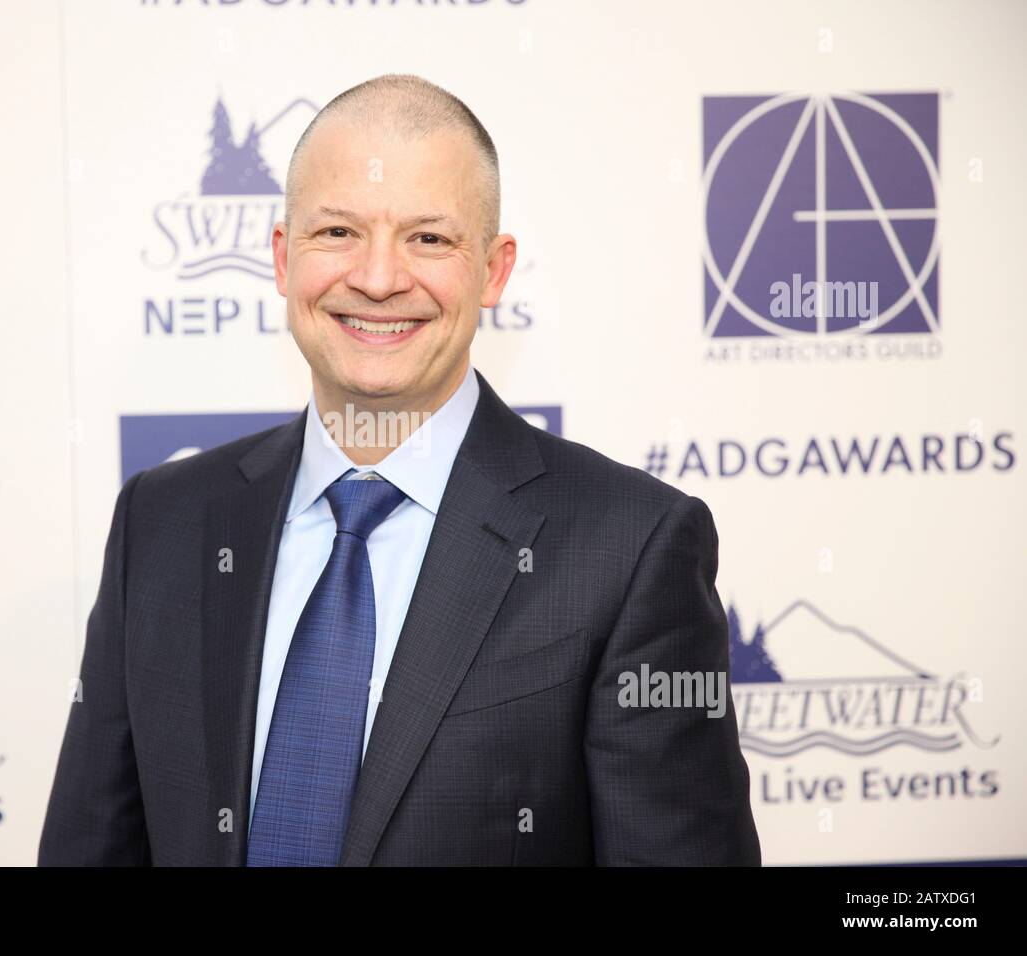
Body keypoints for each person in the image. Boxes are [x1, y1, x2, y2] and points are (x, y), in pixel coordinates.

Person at [38, 73, 760, 866]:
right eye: (338, 233)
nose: (379, 279)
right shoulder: (164, 521)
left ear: (493, 270)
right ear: (283, 258)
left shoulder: (630, 547)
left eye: (429, 238)